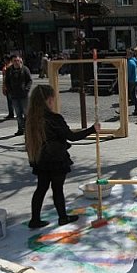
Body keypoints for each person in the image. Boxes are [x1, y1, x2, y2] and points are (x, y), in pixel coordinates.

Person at [25, 84, 100, 229]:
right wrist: (92, 129)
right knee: (57, 189)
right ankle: (63, 217)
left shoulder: (32, 118)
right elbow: (71, 136)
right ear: (49, 100)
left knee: (41, 188)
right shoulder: (53, 119)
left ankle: (35, 219)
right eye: (53, 98)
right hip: (56, 160)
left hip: (40, 160)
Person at [5, 55, 32, 136]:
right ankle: (21, 129)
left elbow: (29, 80)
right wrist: (10, 91)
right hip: (14, 95)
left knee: (26, 113)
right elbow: (7, 81)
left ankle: (28, 129)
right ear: (12, 62)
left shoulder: (25, 69)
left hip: (24, 95)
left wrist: (26, 89)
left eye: (17, 61)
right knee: (18, 113)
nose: (16, 62)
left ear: (20, 61)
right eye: (14, 61)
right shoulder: (9, 70)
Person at [127, 49, 137, 116]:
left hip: (131, 80)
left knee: (130, 96)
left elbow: (128, 73)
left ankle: (125, 109)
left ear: (131, 54)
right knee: (134, 95)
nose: (127, 55)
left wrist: (126, 79)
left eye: (128, 54)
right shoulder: (135, 61)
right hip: (135, 80)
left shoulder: (130, 62)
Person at [1, 55, 15, 119]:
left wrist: (4, 87)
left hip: (8, 86)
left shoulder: (6, 68)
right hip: (14, 86)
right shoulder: (13, 65)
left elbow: (4, 79)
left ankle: (11, 113)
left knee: (10, 101)